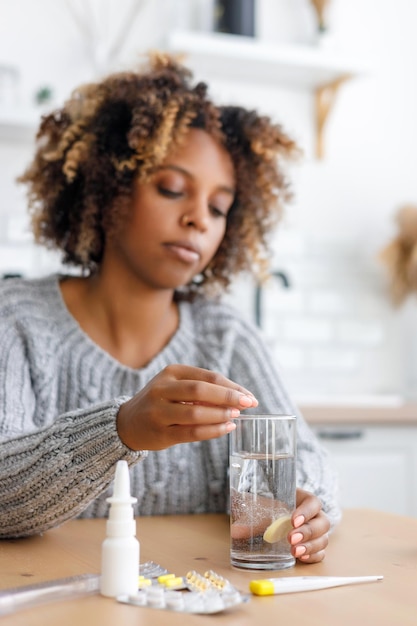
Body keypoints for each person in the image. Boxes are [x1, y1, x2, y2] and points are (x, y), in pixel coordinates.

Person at [0, 53, 340, 563]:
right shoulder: (17, 321)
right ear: (107, 188)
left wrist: (307, 504)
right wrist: (121, 429)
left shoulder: (225, 336)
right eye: (172, 189)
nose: (198, 219)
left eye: (218, 207)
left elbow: (305, 458)